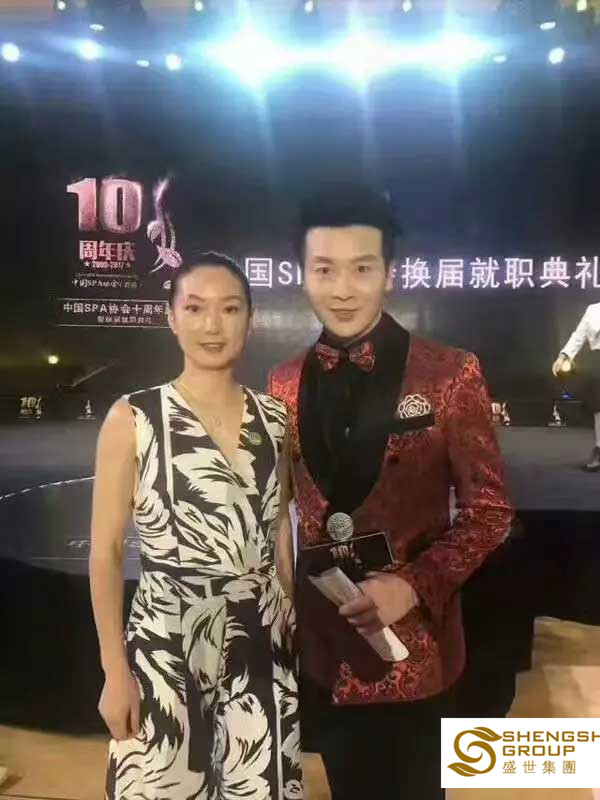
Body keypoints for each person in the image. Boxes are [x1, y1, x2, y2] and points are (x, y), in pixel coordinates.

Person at [268, 184, 513, 800]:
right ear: (302, 275)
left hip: (415, 650)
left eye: (362, 269)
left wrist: (412, 585)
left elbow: (489, 512)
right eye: (324, 269)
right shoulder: (283, 382)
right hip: (326, 647)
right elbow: (282, 511)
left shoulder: (450, 373)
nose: (342, 289)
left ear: (390, 275)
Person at [90, 252, 301, 800]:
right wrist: (115, 671)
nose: (213, 325)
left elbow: (279, 525)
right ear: (171, 317)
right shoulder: (132, 418)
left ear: (250, 319)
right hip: (165, 640)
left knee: (260, 786)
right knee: (163, 786)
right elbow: (106, 552)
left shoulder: (276, 419)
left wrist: (289, 614)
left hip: (261, 638)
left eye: (230, 309)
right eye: (195, 308)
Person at [552, 302, 600, 471]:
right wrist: (563, 356)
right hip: (598, 360)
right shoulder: (593, 310)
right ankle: (599, 449)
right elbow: (578, 335)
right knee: (599, 406)